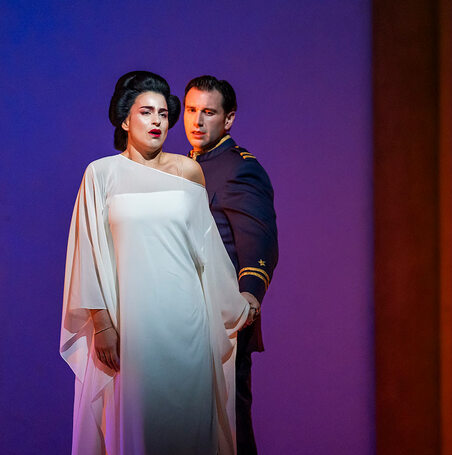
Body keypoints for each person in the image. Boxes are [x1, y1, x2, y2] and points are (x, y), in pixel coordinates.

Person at [60, 71, 259, 455]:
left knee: (190, 431)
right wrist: (102, 325)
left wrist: (240, 303)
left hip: (189, 326)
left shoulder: (189, 171)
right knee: (138, 430)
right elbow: (88, 251)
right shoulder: (101, 174)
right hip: (133, 329)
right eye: (146, 112)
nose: (157, 121)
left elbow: (208, 251)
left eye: (164, 114)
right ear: (124, 119)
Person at [184, 75, 278, 455]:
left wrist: (248, 298)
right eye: (192, 110)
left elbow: (258, 239)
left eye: (209, 112)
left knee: (231, 429)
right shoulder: (180, 167)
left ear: (229, 119)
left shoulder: (239, 168)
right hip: (187, 317)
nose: (197, 121)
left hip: (225, 319)